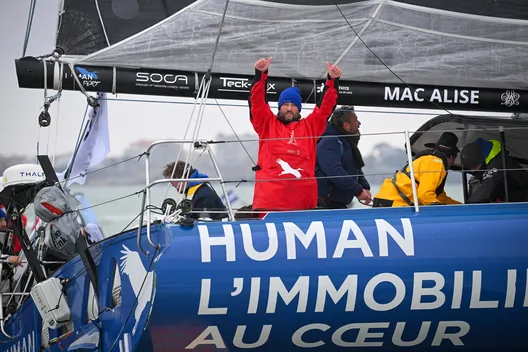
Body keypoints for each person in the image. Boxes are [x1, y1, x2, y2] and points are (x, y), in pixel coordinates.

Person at [249, 57, 341, 217]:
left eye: (293, 105)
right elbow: (256, 102)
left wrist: (332, 81)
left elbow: (325, 108)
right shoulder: (266, 124)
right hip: (269, 204)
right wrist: (260, 75)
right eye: (285, 105)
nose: (289, 109)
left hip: (303, 204)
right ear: (279, 107)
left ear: (299, 108)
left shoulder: (311, 126)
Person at [373, 132, 463, 207]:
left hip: (385, 200)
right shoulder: (436, 162)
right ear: (451, 157)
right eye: (454, 160)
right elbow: (425, 195)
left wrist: (461, 206)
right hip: (393, 204)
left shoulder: (427, 159)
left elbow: (439, 196)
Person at [315, 105, 372, 208]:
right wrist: (358, 191)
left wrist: (365, 187)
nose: (359, 123)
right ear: (346, 125)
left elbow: (355, 168)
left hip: (338, 204)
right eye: (356, 120)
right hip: (324, 204)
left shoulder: (347, 142)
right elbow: (334, 171)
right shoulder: (330, 141)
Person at [460, 138, 528, 203]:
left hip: (523, 200)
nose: (472, 171)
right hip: (509, 199)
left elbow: (487, 188)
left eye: (474, 167)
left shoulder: (497, 164)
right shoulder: (482, 154)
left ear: (480, 160)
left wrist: (469, 207)